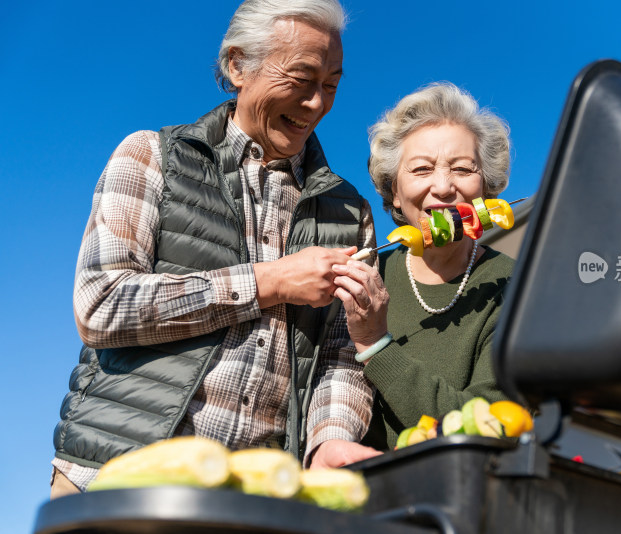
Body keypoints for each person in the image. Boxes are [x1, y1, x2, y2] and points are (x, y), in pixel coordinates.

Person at [50, 0, 380, 499]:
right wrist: (268, 281)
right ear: (237, 66)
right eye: (300, 78)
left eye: (330, 84)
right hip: (114, 477)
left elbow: (341, 355)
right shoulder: (150, 156)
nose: (316, 103)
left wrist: (330, 441)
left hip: (256, 497)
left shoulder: (349, 211)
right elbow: (101, 306)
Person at [331, 83, 515, 450]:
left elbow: (487, 423)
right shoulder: (364, 277)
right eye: (421, 169)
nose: (443, 187)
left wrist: (376, 346)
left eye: (463, 168)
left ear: (486, 188)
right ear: (395, 191)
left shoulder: (514, 286)